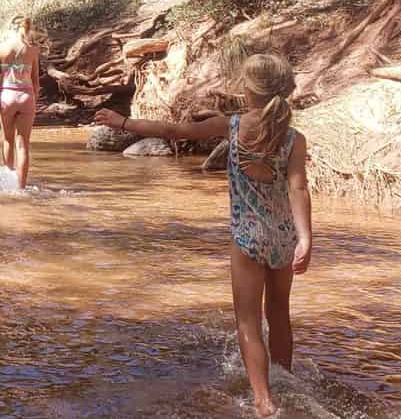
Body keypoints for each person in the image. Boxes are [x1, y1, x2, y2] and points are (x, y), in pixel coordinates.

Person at [95, 53, 313, 418]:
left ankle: (263, 401)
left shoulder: (232, 125)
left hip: (247, 238)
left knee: (247, 322)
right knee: (279, 315)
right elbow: (299, 189)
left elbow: (172, 132)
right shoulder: (293, 138)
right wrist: (305, 238)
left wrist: (123, 122)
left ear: (249, 90)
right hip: (283, 238)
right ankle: (284, 384)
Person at [0, 15, 40, 188]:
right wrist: (33, 101)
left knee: (8, 140)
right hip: (26, 96)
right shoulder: (33, 50)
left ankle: (7, 184)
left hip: (7, 96)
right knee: (23, 146)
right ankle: (21, 189)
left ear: (10, 27)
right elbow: (36, 81)